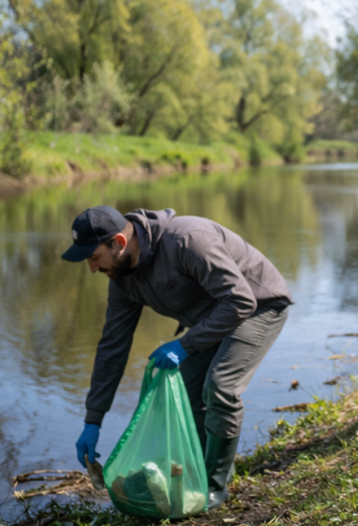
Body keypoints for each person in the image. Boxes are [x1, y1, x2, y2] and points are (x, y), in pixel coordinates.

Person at [63, 206, 292, 510]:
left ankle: (214, 487)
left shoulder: (187, 240)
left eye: (94, 257)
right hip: (213, 315)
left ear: (118, 242)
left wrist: (185, 345)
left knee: (220, 385)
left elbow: (240, 301)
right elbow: (112, 348)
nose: (92, 268)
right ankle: (201, 470)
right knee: (187, 390)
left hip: (259, 305)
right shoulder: (123, 279)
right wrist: (93, 420)